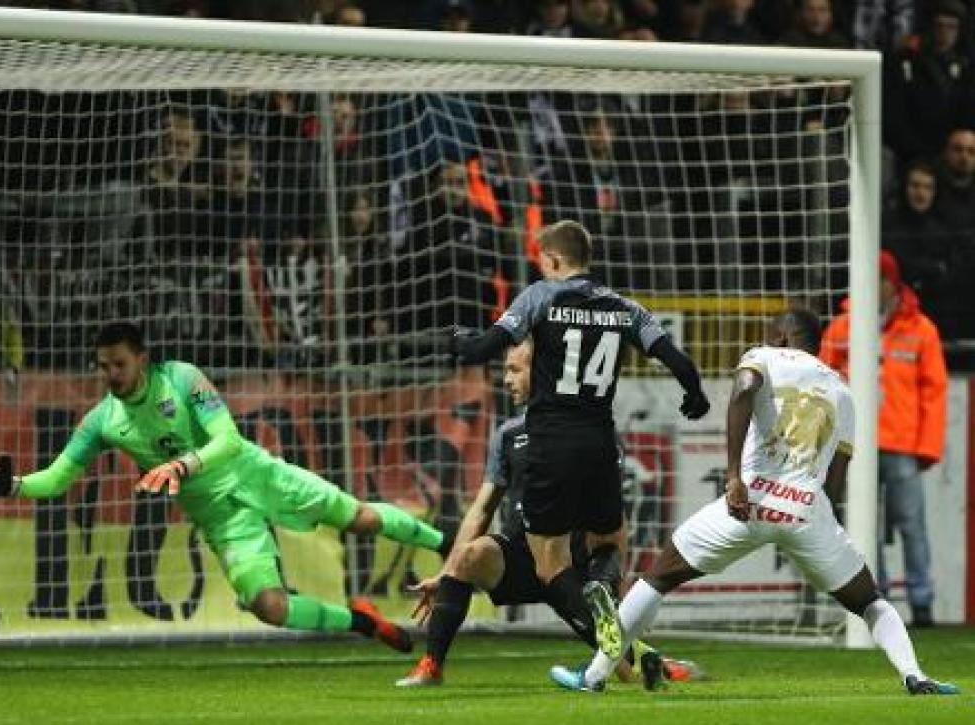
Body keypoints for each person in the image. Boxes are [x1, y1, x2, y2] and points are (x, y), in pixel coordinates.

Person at [0, 321, 453, 651]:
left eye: (118, 364)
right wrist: (12, 485)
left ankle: (450, 546)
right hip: (222, 518)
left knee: (362, 520)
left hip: (256, 474)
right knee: (270, 607)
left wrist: (182, 466)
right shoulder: (103, 420)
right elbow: (57, 479)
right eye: (102, 366)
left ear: (142, 358)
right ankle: (363, 621)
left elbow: (227, 438)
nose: (110, 375)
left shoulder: (182, 379)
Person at [551, 309, 957, 696]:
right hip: (806, 511)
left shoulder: (764, 356)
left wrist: (733, 476)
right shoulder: (842, 390)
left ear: (781, 336)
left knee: (658, 577)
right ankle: (914, 675)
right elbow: (837, 476)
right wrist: (816, 520)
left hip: (749, 503)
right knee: (871, 603)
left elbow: (745, 389)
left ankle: (593, 676)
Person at [450, 220, 710, 661]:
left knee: (548, 561)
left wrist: (456, 341)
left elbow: (480, 350)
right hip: (602, 443)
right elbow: (679, 361)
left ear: (551, 259)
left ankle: (605, 629)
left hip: (551, 441)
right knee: (608, 540)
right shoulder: (624, 307)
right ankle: (602, 590)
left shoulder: (540, 297)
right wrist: (695, 397)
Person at [396, 339, 704, 687]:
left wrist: (611, 567)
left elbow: (612, 513)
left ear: (542, 373)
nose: (506, 379)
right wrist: (448, 571)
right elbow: (482, 507)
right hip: (520, 557)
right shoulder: (508, 434)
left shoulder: (586, 430)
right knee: (471, 556)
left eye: (515, 370)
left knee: (624, 672)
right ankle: (431, 666)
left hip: (570, 562)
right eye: (505, 371)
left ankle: (654, 663)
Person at [819, 251, 948, 628]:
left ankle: (922, 604)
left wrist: (927, 448)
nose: (873, 285)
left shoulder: (921, 329)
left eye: (880, 278)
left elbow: (934, 393)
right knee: (863, 528)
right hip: (854, 444)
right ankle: (877, 602)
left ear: (893, 283)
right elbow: (823, 382)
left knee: (912, 525)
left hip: (902, 443)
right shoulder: (842, 327)